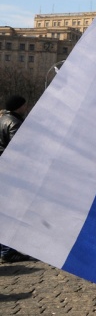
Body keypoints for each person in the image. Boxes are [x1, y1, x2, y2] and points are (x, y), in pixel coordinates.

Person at [0, 95, 31, 263]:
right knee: (8, 211)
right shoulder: (14, 122)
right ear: (19, 106)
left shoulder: (2, 118)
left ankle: (4, 248)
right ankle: (7, 251)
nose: (26, 107)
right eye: (24, 105)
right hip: (9, 171)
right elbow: (18, 148)